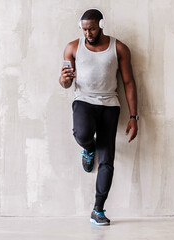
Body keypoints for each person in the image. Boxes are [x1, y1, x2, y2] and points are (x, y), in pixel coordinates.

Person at [59, 8, 138, 226]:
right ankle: (88, 147)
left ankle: (98, 210)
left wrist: (134, 116)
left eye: (92, 29)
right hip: (84, 100)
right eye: (84, 30)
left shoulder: (119, 48)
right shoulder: (72, 48)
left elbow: (129, 83)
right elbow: (66, 84)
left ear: (100, 25)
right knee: (82, 134)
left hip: (110, 105)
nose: (88, 34)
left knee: (107, 160)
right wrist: (64, 79)